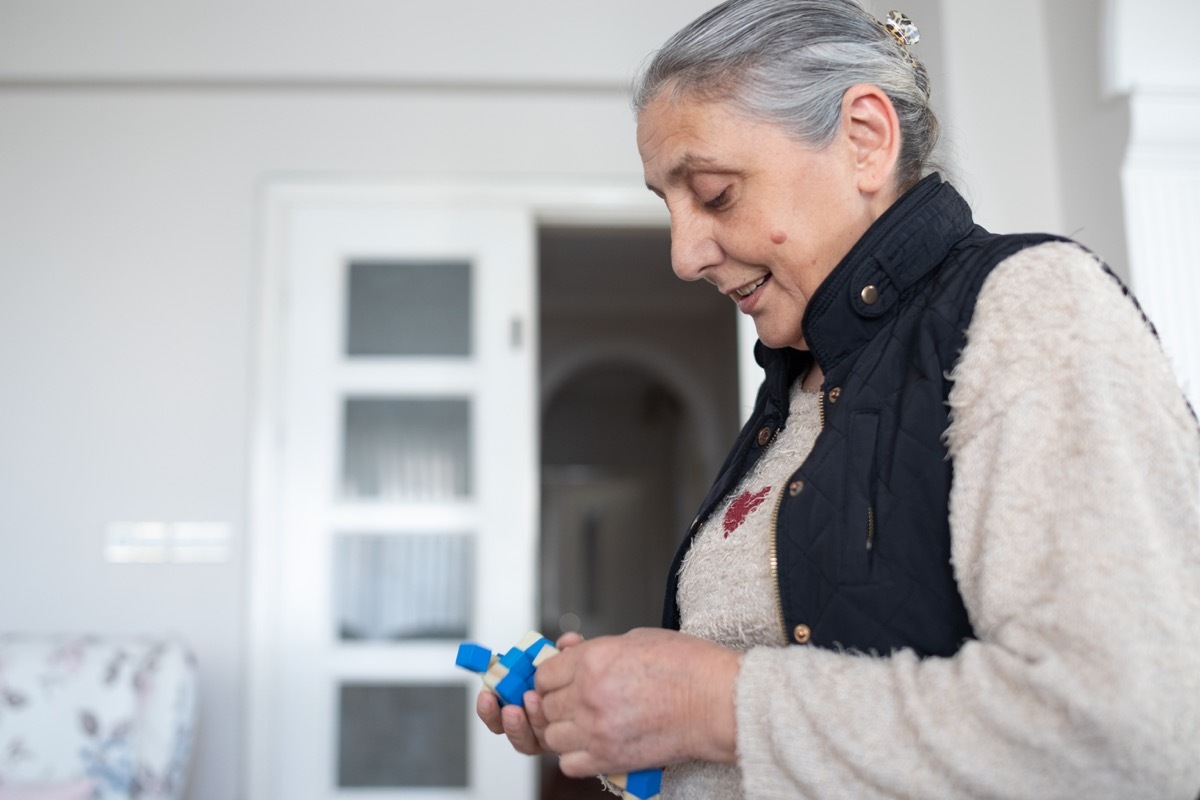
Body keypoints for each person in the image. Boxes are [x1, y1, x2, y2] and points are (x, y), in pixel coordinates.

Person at [476, 1, 1200, 797]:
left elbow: (1126, 732)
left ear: (865, 138)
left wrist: (711, 702)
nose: (684, 255)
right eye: (668, 204)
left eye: (715, 194)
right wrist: (623, 717)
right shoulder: (794, 390)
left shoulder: (1032, 306)